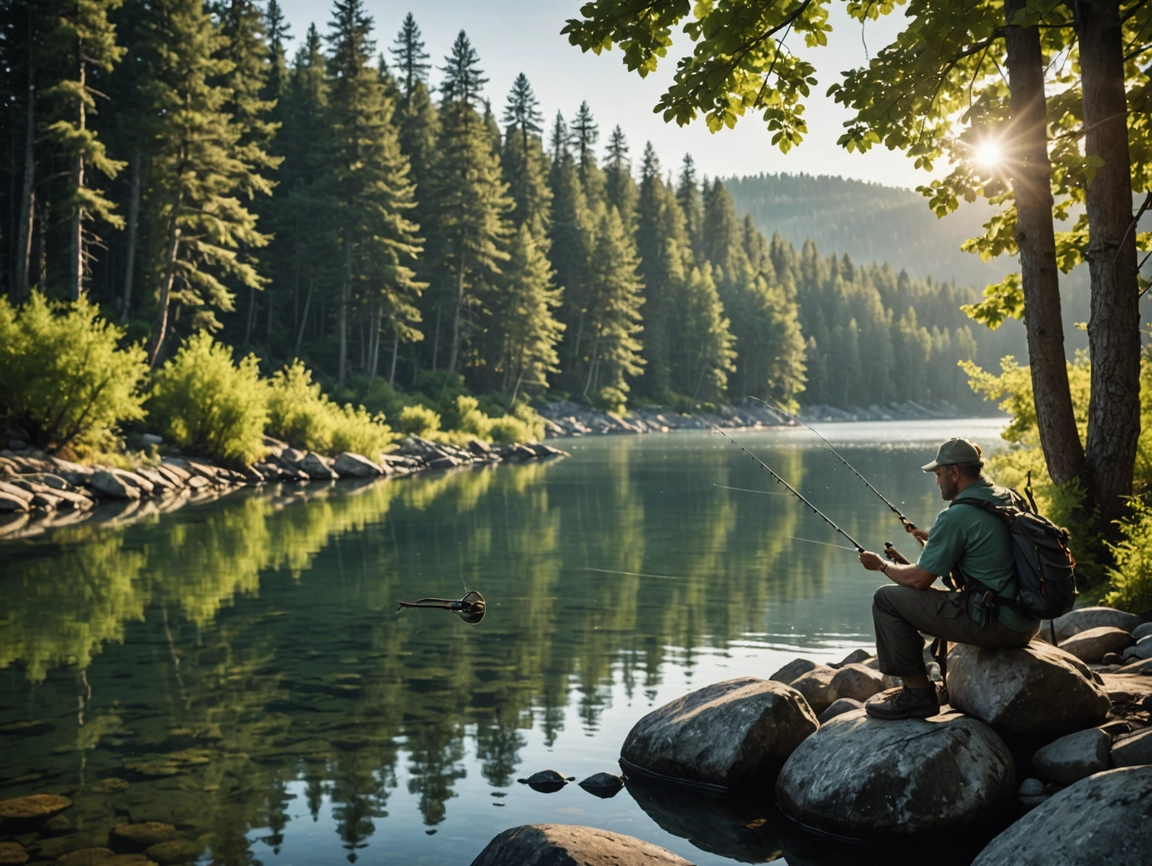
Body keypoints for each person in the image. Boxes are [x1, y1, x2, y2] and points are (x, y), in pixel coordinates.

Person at [857, 438, 1041, 720]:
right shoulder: (1007, 497)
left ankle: (918, 694)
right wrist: (927, 536)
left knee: (886, 599)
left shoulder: (955, 516)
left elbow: (919, 580)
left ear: (954, 472)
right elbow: (983, 539)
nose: (937, 481)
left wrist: (881, 565)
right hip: (1027, 619)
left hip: (999, 626)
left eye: (939, 474)